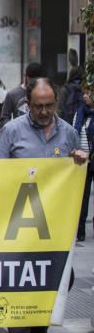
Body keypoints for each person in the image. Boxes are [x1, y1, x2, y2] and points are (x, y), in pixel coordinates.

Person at [0, 78, 87, 333]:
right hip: (21, 227)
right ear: (28, 104)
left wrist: (81, 161)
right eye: (38, 106)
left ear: (56, 104)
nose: (44, 111)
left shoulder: (70, 134)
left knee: (53, 285)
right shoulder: (13, 131)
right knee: (20, 286)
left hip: (56, 229)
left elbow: (78, 179)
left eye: (49, 106)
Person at [73, 90, 94, 241]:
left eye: (89, 94)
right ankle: (80, 231)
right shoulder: (80, 113)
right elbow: (74, 133)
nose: (85, 96)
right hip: (82, 161)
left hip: (92, 157)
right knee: (83, 196)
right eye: (85, 93)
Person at [0, 62, 44, 128]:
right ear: (26, 76)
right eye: (31, 80)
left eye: (36, 80)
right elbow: (5, 117)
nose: (33, 83)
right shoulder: (13, 94)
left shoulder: (44, 93)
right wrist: (11, 131)